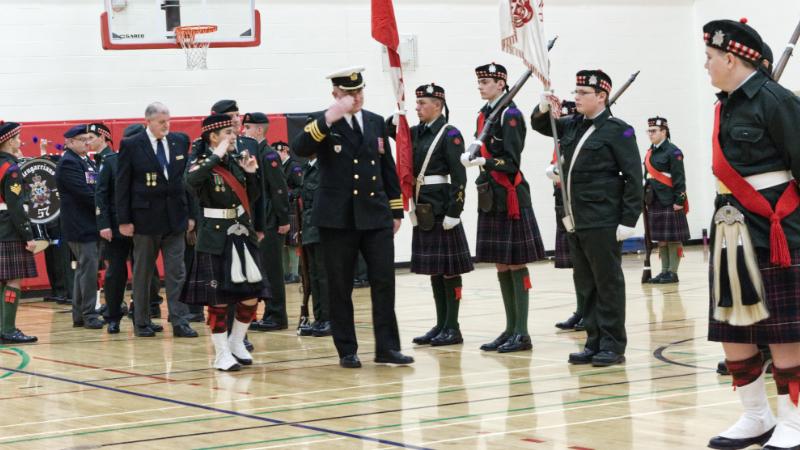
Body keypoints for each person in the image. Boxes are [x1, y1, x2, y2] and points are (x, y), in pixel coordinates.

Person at [701, 18, 800, 450]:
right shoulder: (725, 105)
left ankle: (794, 420)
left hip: (775, 229)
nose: (705, 64)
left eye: (710, 57)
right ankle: (756, 416)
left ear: (730, 58)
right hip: (731, 232)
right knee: (733, 329)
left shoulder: (777, 101)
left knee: (783, 332)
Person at [292, 66, 413, 368]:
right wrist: (328, 118)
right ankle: (347, 349)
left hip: (375, 215)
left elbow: (387, 169)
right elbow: (300, 148)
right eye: (348, 93)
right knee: (340, 286)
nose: (355, 97)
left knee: (384, 282)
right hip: (338, 219)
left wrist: (395, 210)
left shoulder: (374, 122)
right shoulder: (321, 122)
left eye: (359, 91)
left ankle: (387, 348)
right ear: (335, 94)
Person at [531, 69, 642, 367]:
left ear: (602, 96)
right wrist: (542, 105)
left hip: (603, 218)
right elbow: (541, 125)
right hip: (575, 218)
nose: (576, 97)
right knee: (586, 285)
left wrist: (629, 219)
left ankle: (612, 344)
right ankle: (593, 342)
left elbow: (634, 177)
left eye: (583, 93)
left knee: (607, 284)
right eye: (576, 92)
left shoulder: (618, 130)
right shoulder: (572, 125)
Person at [461, 63, 545, 353]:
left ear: (501, 84)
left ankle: (522, 332)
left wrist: (484, 161)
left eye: (486, 81)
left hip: (510, 194)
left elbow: (511, 161)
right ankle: (510, 328)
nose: (480, 86)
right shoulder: (484, 114)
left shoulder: (510, 115)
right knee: (500, 262)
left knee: (515, 262)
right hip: (491, 195)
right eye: (479, 81)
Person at [391, 83, 473, 346]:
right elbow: (391, 133)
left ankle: (453, 327)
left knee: (449, 270)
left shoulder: (450, 134)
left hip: (442, 207)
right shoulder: (416, 132)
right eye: (417, 103)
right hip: (423, 208)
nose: (417, 108)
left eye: (422, 103)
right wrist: (396, 118)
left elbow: (459, 176)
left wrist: (455, 211)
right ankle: (441, 324)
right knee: (436, 271)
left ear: (437, 105)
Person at [183, 114, 264, 371]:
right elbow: (191, 182)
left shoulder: (235, 161)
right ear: (213, 136)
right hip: (215, 238)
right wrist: (215, 155)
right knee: (217, 299)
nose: (234, 136)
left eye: (233, 131)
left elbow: (251, 197)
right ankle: (221, 354)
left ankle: (236, 342)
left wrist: (251, 174)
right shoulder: (200, 162)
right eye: (228, 132)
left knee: (251, 294)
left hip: (241, 234)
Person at [116, 102, 197, 338]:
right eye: (161, 122)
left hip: (175, 219)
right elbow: (122, 184)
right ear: (148, 121)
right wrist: (124, 220)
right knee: (143, 273)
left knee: (177, 272)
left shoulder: (179, 141)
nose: (166, 125)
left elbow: (185, 182)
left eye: (168, 121)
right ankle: (141, 321)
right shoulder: (132, 144)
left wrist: (191, 214)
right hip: (145, 220)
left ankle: (180, 321)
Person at [240, 111, 291, 332]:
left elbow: (279, 189)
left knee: (272, 270)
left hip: (271, 220)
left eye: (248, 128)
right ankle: (269, 313)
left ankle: (277, 315)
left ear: (259, 130)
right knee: (263, 270)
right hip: (261, 220)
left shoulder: (269, 155)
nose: (244, 131)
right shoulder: (254, 153)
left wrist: (283, 219)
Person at [56, 124, 104, 329]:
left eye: (88, 139)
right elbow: (84, 193)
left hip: (88, 224)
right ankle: (89, 313)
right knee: (88, 270)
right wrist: (105, 206)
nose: (86, 143)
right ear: (69, 142)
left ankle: (80, 314)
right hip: (80, 225)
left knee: (84, 269)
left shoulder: (85, 160)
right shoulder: (69, 163)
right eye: (82, 140)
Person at [546, 100, 586, 332]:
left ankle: (589, 311)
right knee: (576, 265)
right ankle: (581, 310)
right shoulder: (561, 142)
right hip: (561, 202)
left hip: (576, 202)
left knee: (585, 264)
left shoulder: (580, 139)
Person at [0, 121, 38, 344]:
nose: (20, 141)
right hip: (9, 230)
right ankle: (8, 329)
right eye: (17, 138)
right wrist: (28, 235)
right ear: (8, 141)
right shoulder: (11, 169)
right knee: (13, 280)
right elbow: (16, 207)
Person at [643, 116, 690, 284]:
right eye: (649, 131)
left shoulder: (674, 151)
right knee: (661, 238)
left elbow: (679, 178)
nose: (650, 134)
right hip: (654, 200)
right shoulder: (650, 152)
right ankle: (664, 272)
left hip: (670, 200)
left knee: (673, 238)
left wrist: (679, 200)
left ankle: (672, 272)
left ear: (664, 132)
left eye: (654, 131)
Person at [276, 141, 304, 285]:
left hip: (292, 207)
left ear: (284, 151)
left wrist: (290, 195)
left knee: (293, 241)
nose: (275, 155)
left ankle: (294, 274)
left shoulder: (294, 166)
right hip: (281, 207)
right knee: (283, 242)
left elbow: (301, 186)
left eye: (277, 152)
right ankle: (286, 273)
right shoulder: (278, 166)